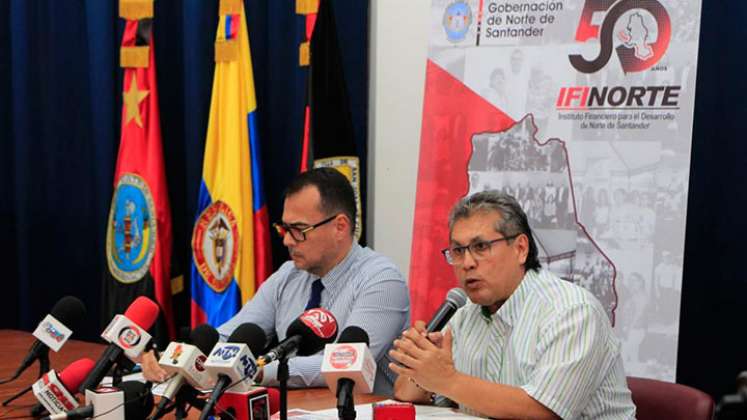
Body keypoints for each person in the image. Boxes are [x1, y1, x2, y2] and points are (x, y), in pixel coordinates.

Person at [142, 167, 410, 395]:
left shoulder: (381, 281)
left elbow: (340, 365)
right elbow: (232, 336)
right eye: (284, 228)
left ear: (340, 226)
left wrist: (253, 371)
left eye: (299, 230)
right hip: (291, 407)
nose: (287, 240)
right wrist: (180, 359)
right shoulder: (288, 274)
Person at [390, 191, 635, 419]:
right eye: (458, 251)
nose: (467, 263)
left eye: (480, 247)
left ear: (520, 249)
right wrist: (421, 363)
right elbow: (404, 393)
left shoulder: (572, 311)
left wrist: (446, 380)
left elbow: (543, 411)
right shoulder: (465, 316)